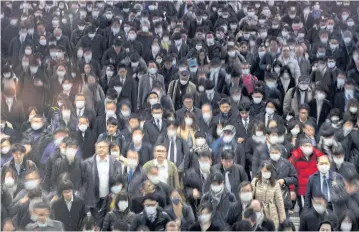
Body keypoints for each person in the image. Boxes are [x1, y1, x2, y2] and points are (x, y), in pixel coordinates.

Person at [82, 140, 122, 218]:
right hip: (93, 200)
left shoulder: (116, 163)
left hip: (110, 199)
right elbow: (83, 183)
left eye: (103, 147)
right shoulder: (86, 163)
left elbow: (119, 181)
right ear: (95, 149)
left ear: (108, 149)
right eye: (99, 147)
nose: (101, 149)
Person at [289, 138, 324, 213]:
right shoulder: (295, 157)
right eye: (305, 145)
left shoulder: (318, 155)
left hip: (315, 187)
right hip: (300, 189)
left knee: (315, 209)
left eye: (309, 145)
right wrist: (291, 189)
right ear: (301, 147)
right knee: (303, 210)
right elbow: (290, 173)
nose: (308, 147)